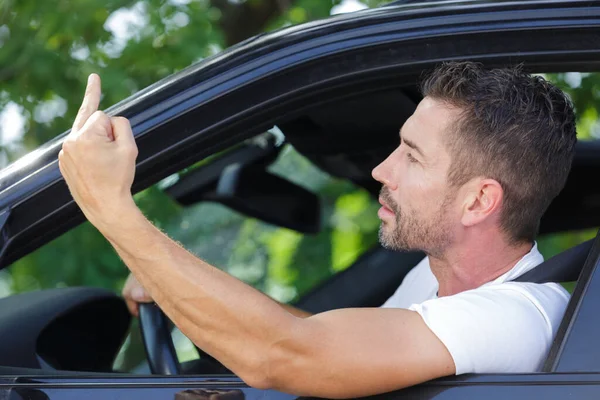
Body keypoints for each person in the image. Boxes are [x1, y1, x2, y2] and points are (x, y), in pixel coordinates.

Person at [59, 61, 577, 398]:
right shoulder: (436, 276)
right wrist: (175, 282)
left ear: (479, 201)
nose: (382, 170)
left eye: (412, 158)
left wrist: (110, 207)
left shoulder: (515, 317)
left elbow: (289, 352)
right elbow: (327, 339)